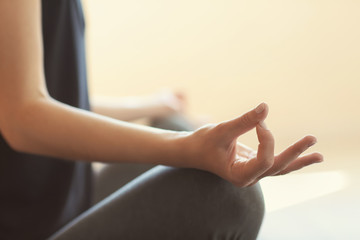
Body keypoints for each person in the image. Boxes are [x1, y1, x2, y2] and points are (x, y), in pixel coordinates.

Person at [0, 0, 323, 239]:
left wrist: (156, 105)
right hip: (22, 224)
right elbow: (22, 118)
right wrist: (189, 147)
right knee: (229, 199)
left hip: (56, 206)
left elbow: (46, 99)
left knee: (173, 125)